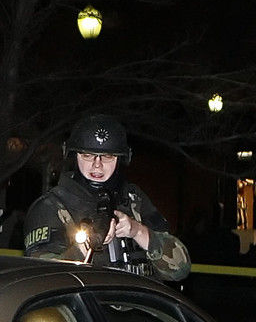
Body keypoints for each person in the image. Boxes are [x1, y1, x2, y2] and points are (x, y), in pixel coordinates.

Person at [23, 114, 190, 282]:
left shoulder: (133, 199)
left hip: (141, 304)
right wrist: (87, 243)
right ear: (74, 155)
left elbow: (179, 268)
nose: (97, 164)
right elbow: (44, 279)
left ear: (120, 158)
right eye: (88, 155)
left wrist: (137, 231)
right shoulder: (51, 206)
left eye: (108, 156)